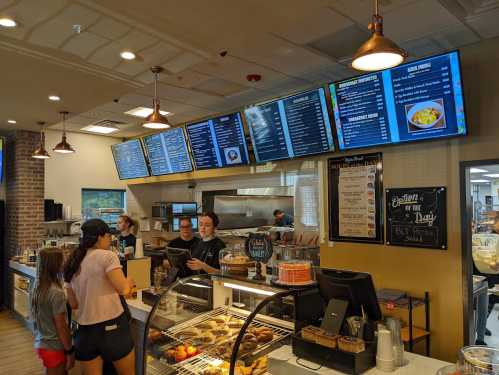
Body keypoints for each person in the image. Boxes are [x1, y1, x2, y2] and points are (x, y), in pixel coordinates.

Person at [63, 219, 135, 375]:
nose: (110, 240)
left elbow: (73, 304)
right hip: (112, 330)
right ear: (100, 237)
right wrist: (129, 282)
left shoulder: (72, 261)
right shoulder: (107, 256)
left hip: (84, 333)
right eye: (109, 236)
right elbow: (123, 290)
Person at [31, 247, 75, 375]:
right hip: (54, 347)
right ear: (55, 265)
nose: (64, 262)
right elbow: (61, 326)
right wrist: (69, 350)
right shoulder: (56, 293)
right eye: (62, 260)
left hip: (43, 342)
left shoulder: (38, 287)